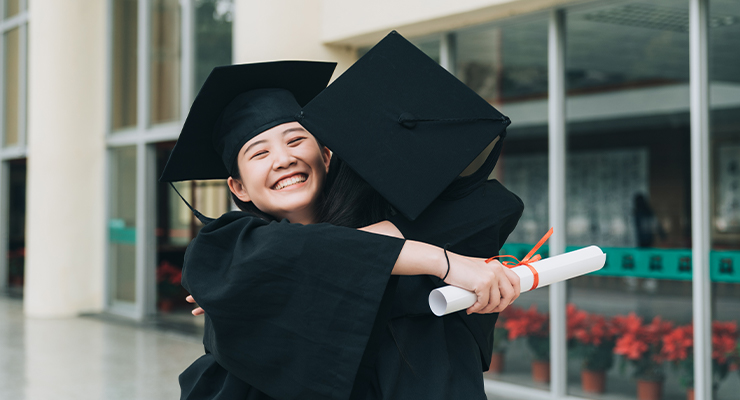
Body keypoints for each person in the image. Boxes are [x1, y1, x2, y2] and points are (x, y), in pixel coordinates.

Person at [163, 32, 523, 400]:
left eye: (295, 140)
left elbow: (493, 204)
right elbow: (290, 251)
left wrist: (380, 245)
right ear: (238, 188)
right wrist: (437, 260)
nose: (283, 159)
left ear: (328, 156)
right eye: (259, 153)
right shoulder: (226, 246)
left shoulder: (404, 221)